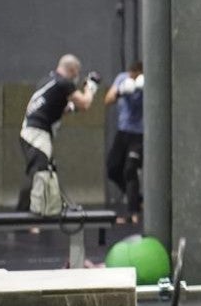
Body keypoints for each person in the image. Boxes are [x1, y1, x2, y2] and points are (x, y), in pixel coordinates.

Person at [17, 54, 99, 212]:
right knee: (38, 172)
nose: (76, 77)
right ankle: (25, 216)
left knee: (46, 169)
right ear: (73, 70)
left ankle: (50, 207)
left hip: (31, 131)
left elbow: (62, 108)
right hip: (37, 134)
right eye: (76, 74)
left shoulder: (48, 81)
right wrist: (91, 86)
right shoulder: (64, 83)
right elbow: (85, 103)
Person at [104, 61, 145, 224]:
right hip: (123, 132)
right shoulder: (122, 78)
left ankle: (133, 213)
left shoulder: (149, 81)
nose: (132, 76)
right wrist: (120, 92)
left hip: (140, 134)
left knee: (130, 170)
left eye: (135, 74)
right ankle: (138, 200)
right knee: (113, 169)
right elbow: (107, 100)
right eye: (131, 74)